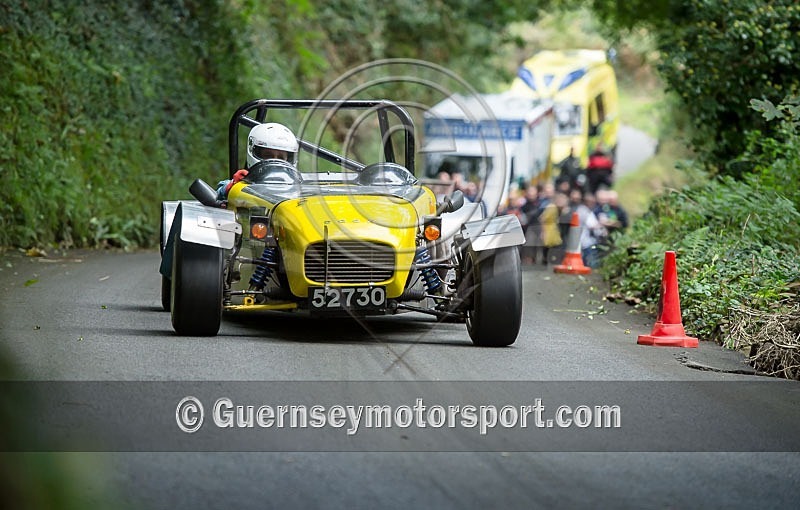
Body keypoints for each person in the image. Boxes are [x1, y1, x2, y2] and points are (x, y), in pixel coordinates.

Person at [216, 122, 299, 201]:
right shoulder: (243, 179)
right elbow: (218, 193)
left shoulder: (296, 188)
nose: (275, 161)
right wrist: (234, 185)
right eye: (268, 156)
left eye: (281, 158)